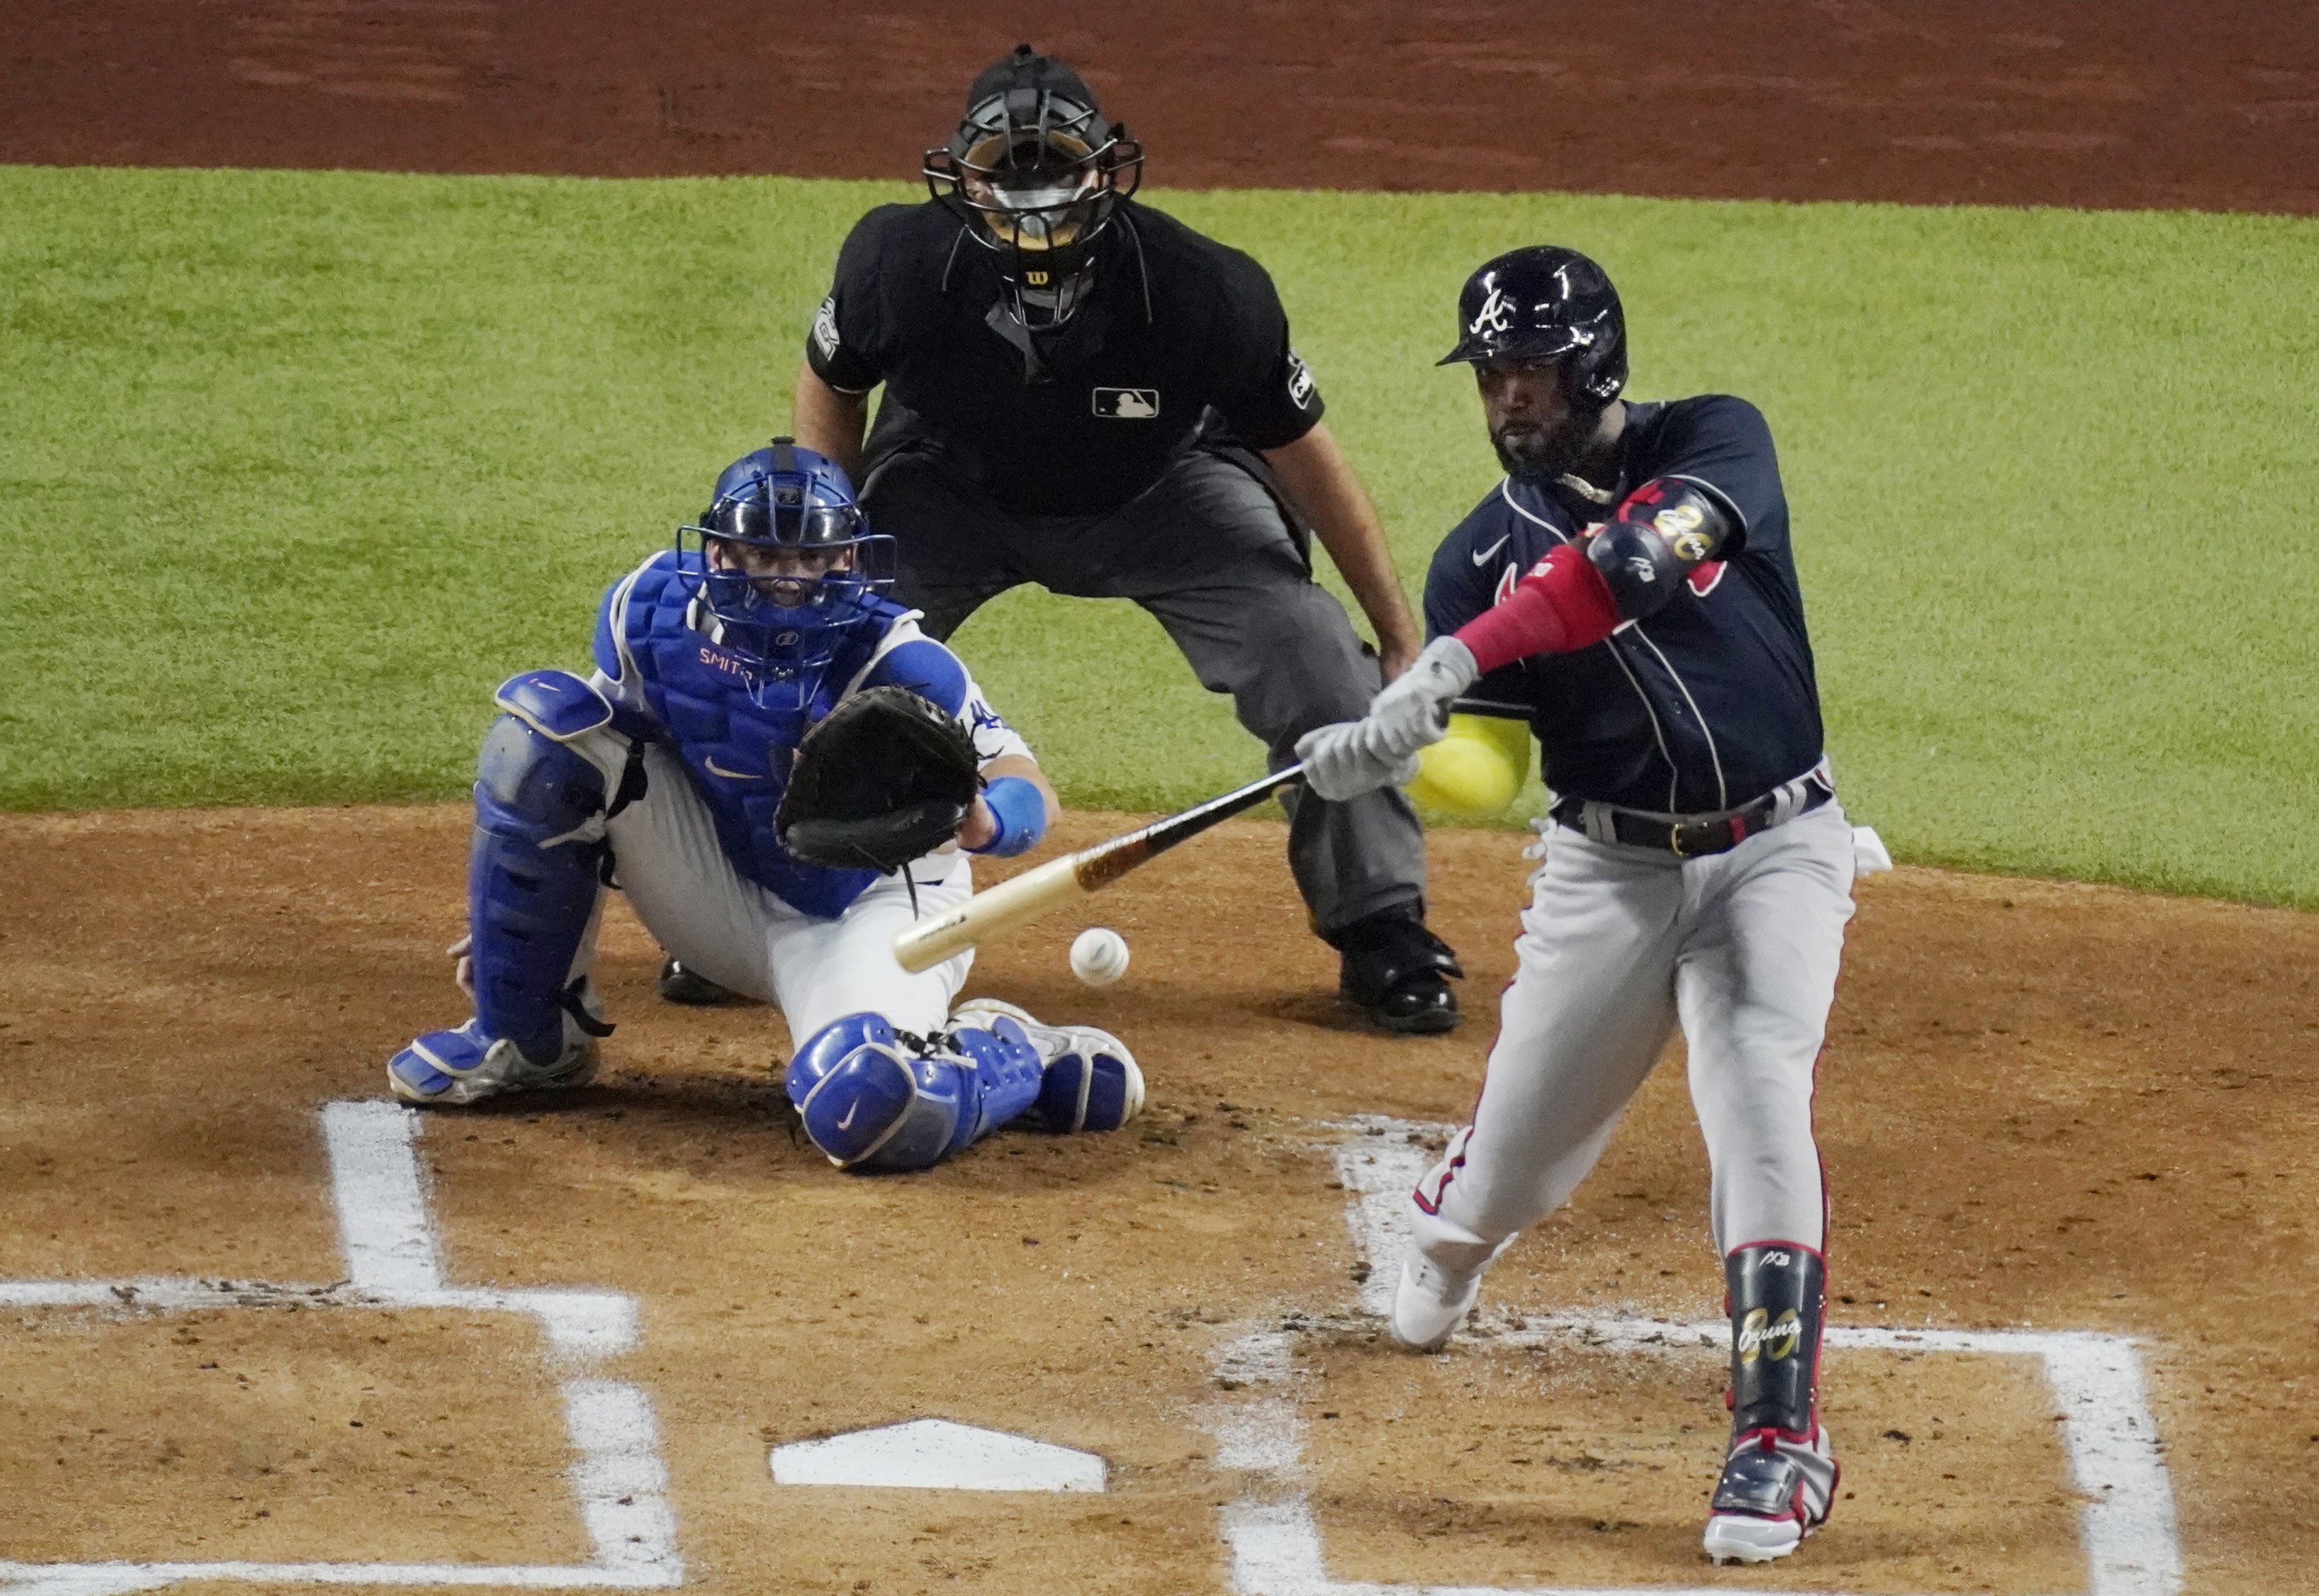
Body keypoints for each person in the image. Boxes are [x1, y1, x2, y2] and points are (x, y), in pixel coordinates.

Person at [1296, 247, 1855, 1563]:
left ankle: (1780, 1437)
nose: (1507, 398)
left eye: (1530, 369)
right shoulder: (1472, 556)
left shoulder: (1717, 442)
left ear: (1595, 362)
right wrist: (1396, 748)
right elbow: (1491, 762)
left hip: (1783, 848)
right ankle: (1454, 1222)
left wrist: (1462, 650)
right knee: (1514, 1169)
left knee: (1758, 1087)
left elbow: (1627, 570)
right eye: (1491, 372)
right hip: (1610, 873)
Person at [770, 43, 1461, 1034]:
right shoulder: (900, 262)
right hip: (949, 482)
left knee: (1316, 661)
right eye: (1007, 173)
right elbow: (831, 385)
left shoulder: (1199, 290)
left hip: (1164, 490)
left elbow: (1305, 452)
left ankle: (1381, 927)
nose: (1033, 197)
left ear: (1103, 171)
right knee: (812, 648)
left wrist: (1395, 634)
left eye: (1053, 167)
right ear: (960, 179)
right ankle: (774, 895)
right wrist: (829, 555)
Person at [387, 440, 1144, 1171]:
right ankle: (528, 1036)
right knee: (542, 731)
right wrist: (512, 927)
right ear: (717, 552)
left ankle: (1006, 1048)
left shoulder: (897, 661)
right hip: (719, 884)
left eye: (812, 559)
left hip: (862, 910)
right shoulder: (647, 613)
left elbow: (1022, 778)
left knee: (874, 1107)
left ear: (847, 557)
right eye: (766, 557)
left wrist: (990, 819)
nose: (789, 580)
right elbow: (603, 758)